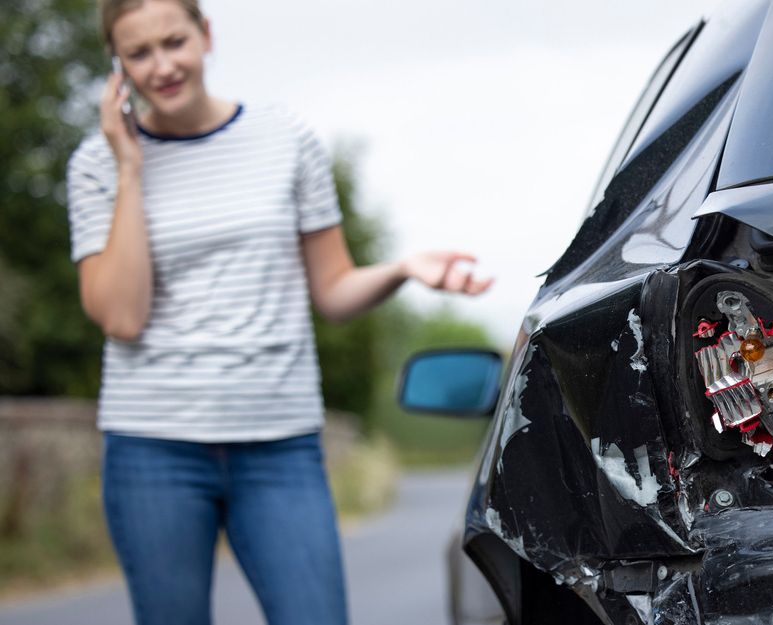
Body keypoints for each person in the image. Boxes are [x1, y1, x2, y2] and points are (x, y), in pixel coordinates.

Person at [65, 1, 492, 623]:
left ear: (206, 35)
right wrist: (131, 168)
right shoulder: (96, 165)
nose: (162, 65)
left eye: (174, 41)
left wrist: (403, 270)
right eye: (139, 53)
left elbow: (334, 289)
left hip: (278, 444)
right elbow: (122, 316)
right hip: (154, 446)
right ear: (117, 63)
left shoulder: (283, 137)